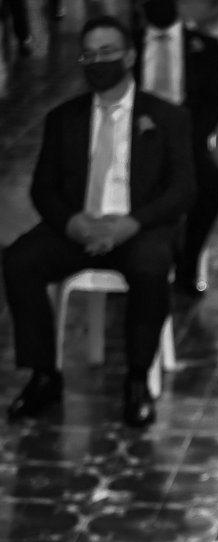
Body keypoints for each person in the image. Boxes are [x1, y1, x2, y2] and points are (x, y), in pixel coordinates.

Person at [3, 15, 195, 428]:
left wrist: (131, 223)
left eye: (106, 52)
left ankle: (137, 378)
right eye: (88, 55)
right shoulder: (64, 117)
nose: (96, 62)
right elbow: (42, 188)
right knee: (19, 260)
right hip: (80, 226)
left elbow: (182, 190)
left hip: (137, 227)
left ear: (129, 56)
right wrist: (74, 224)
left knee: (151, 266)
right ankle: (43, 375)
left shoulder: (166, 117)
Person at [137, 0, 218, 295]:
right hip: (136, 142)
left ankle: (188, 261)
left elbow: (215, 104)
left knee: (211, 184)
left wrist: (185, 141)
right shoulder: (129, 44)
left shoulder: (205, 46)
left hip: (187, 140)